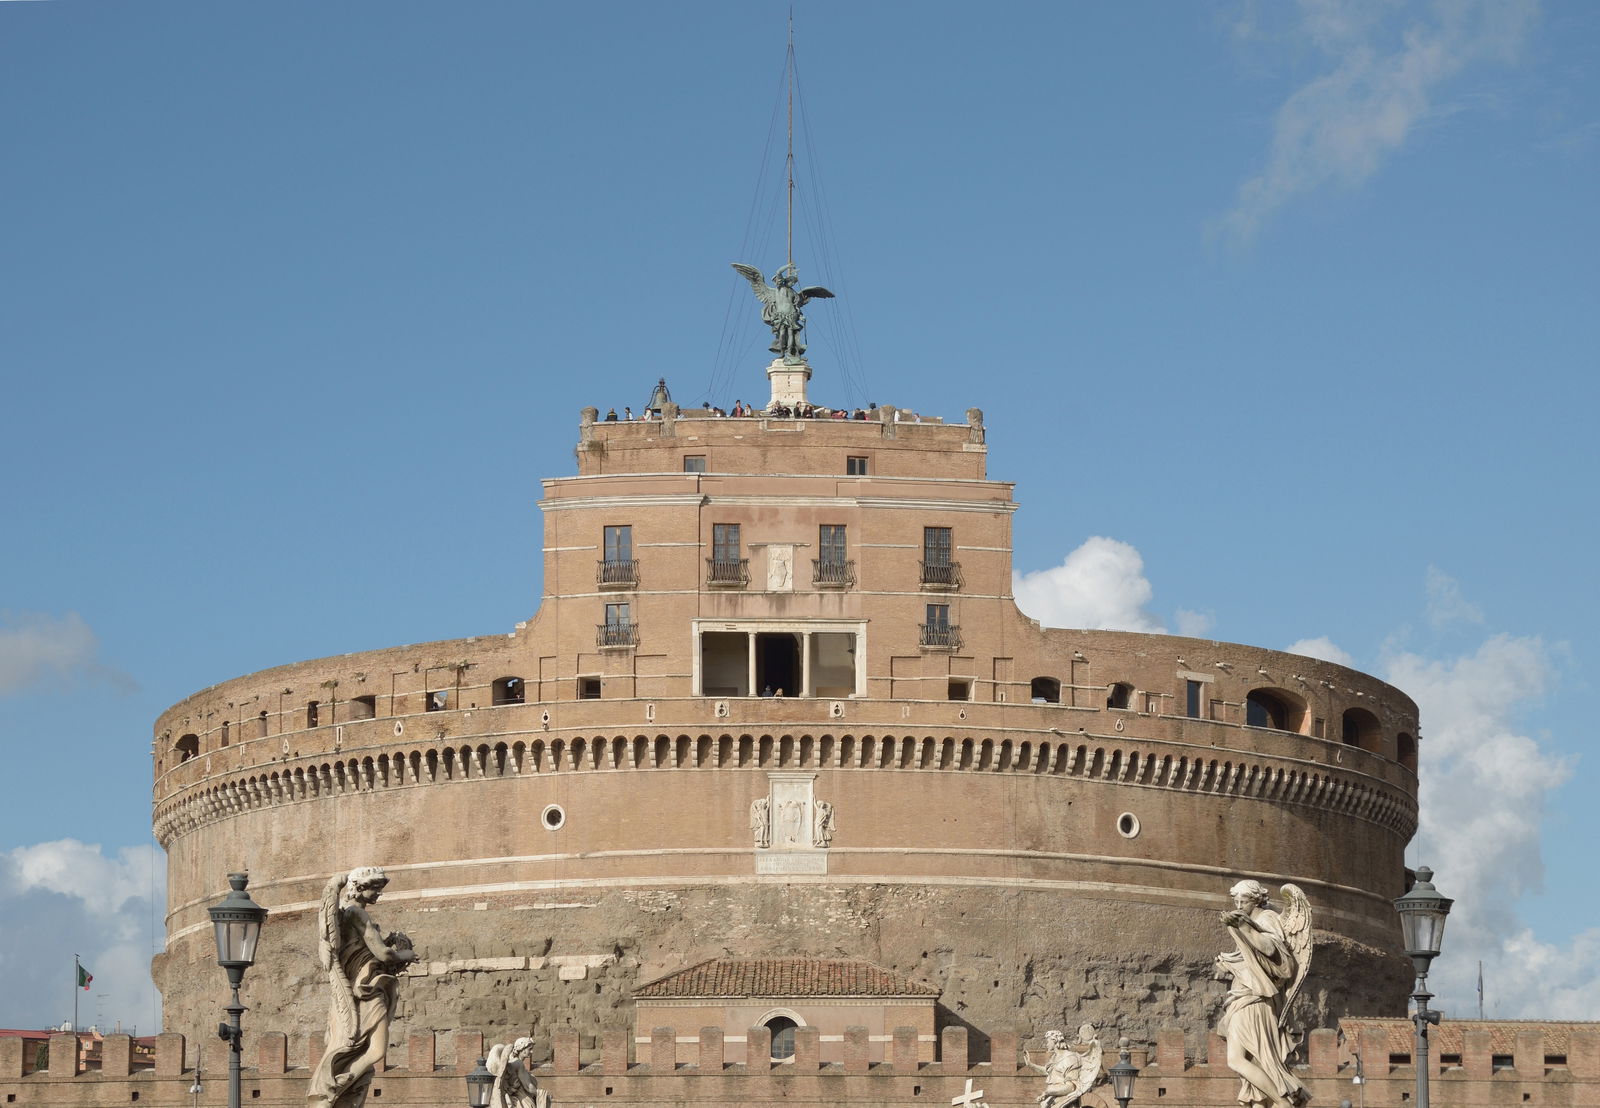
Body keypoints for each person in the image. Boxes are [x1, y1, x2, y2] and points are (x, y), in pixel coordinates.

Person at [308, 867, 417, 1108]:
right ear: (359, 886)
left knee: (357, 1047)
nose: (379, 894)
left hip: (356, 988)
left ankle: (338, 1087)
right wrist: (408, 953)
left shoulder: (343, 914)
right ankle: (334, 1087)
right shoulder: (358, 915)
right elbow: (384, 954)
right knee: (376, 1049)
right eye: (375, 888)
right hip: (367, 989)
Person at [1215, 880, 1312, 1108]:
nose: (1239, 905)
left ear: (1257, 899)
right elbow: (1252, 961)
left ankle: (1283, 1102)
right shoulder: (1247, 919)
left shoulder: (1266, 918)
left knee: (1236, 1060)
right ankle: (1268, 1103)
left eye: (1244, 900)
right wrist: (1230, 963)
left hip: (1256, 1000)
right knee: (1253, 1063)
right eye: (1235, 900)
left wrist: (1246, 927)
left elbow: (1274, 953)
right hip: (1243, 995)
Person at [485, 1036, 551, 1108]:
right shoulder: (519, 1063)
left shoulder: (511, 1062)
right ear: (522, 1049)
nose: (532, 1051)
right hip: (523, 1100)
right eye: (530, 1049)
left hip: (515, 1100)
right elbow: (528, 1086)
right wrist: (541, 1093)